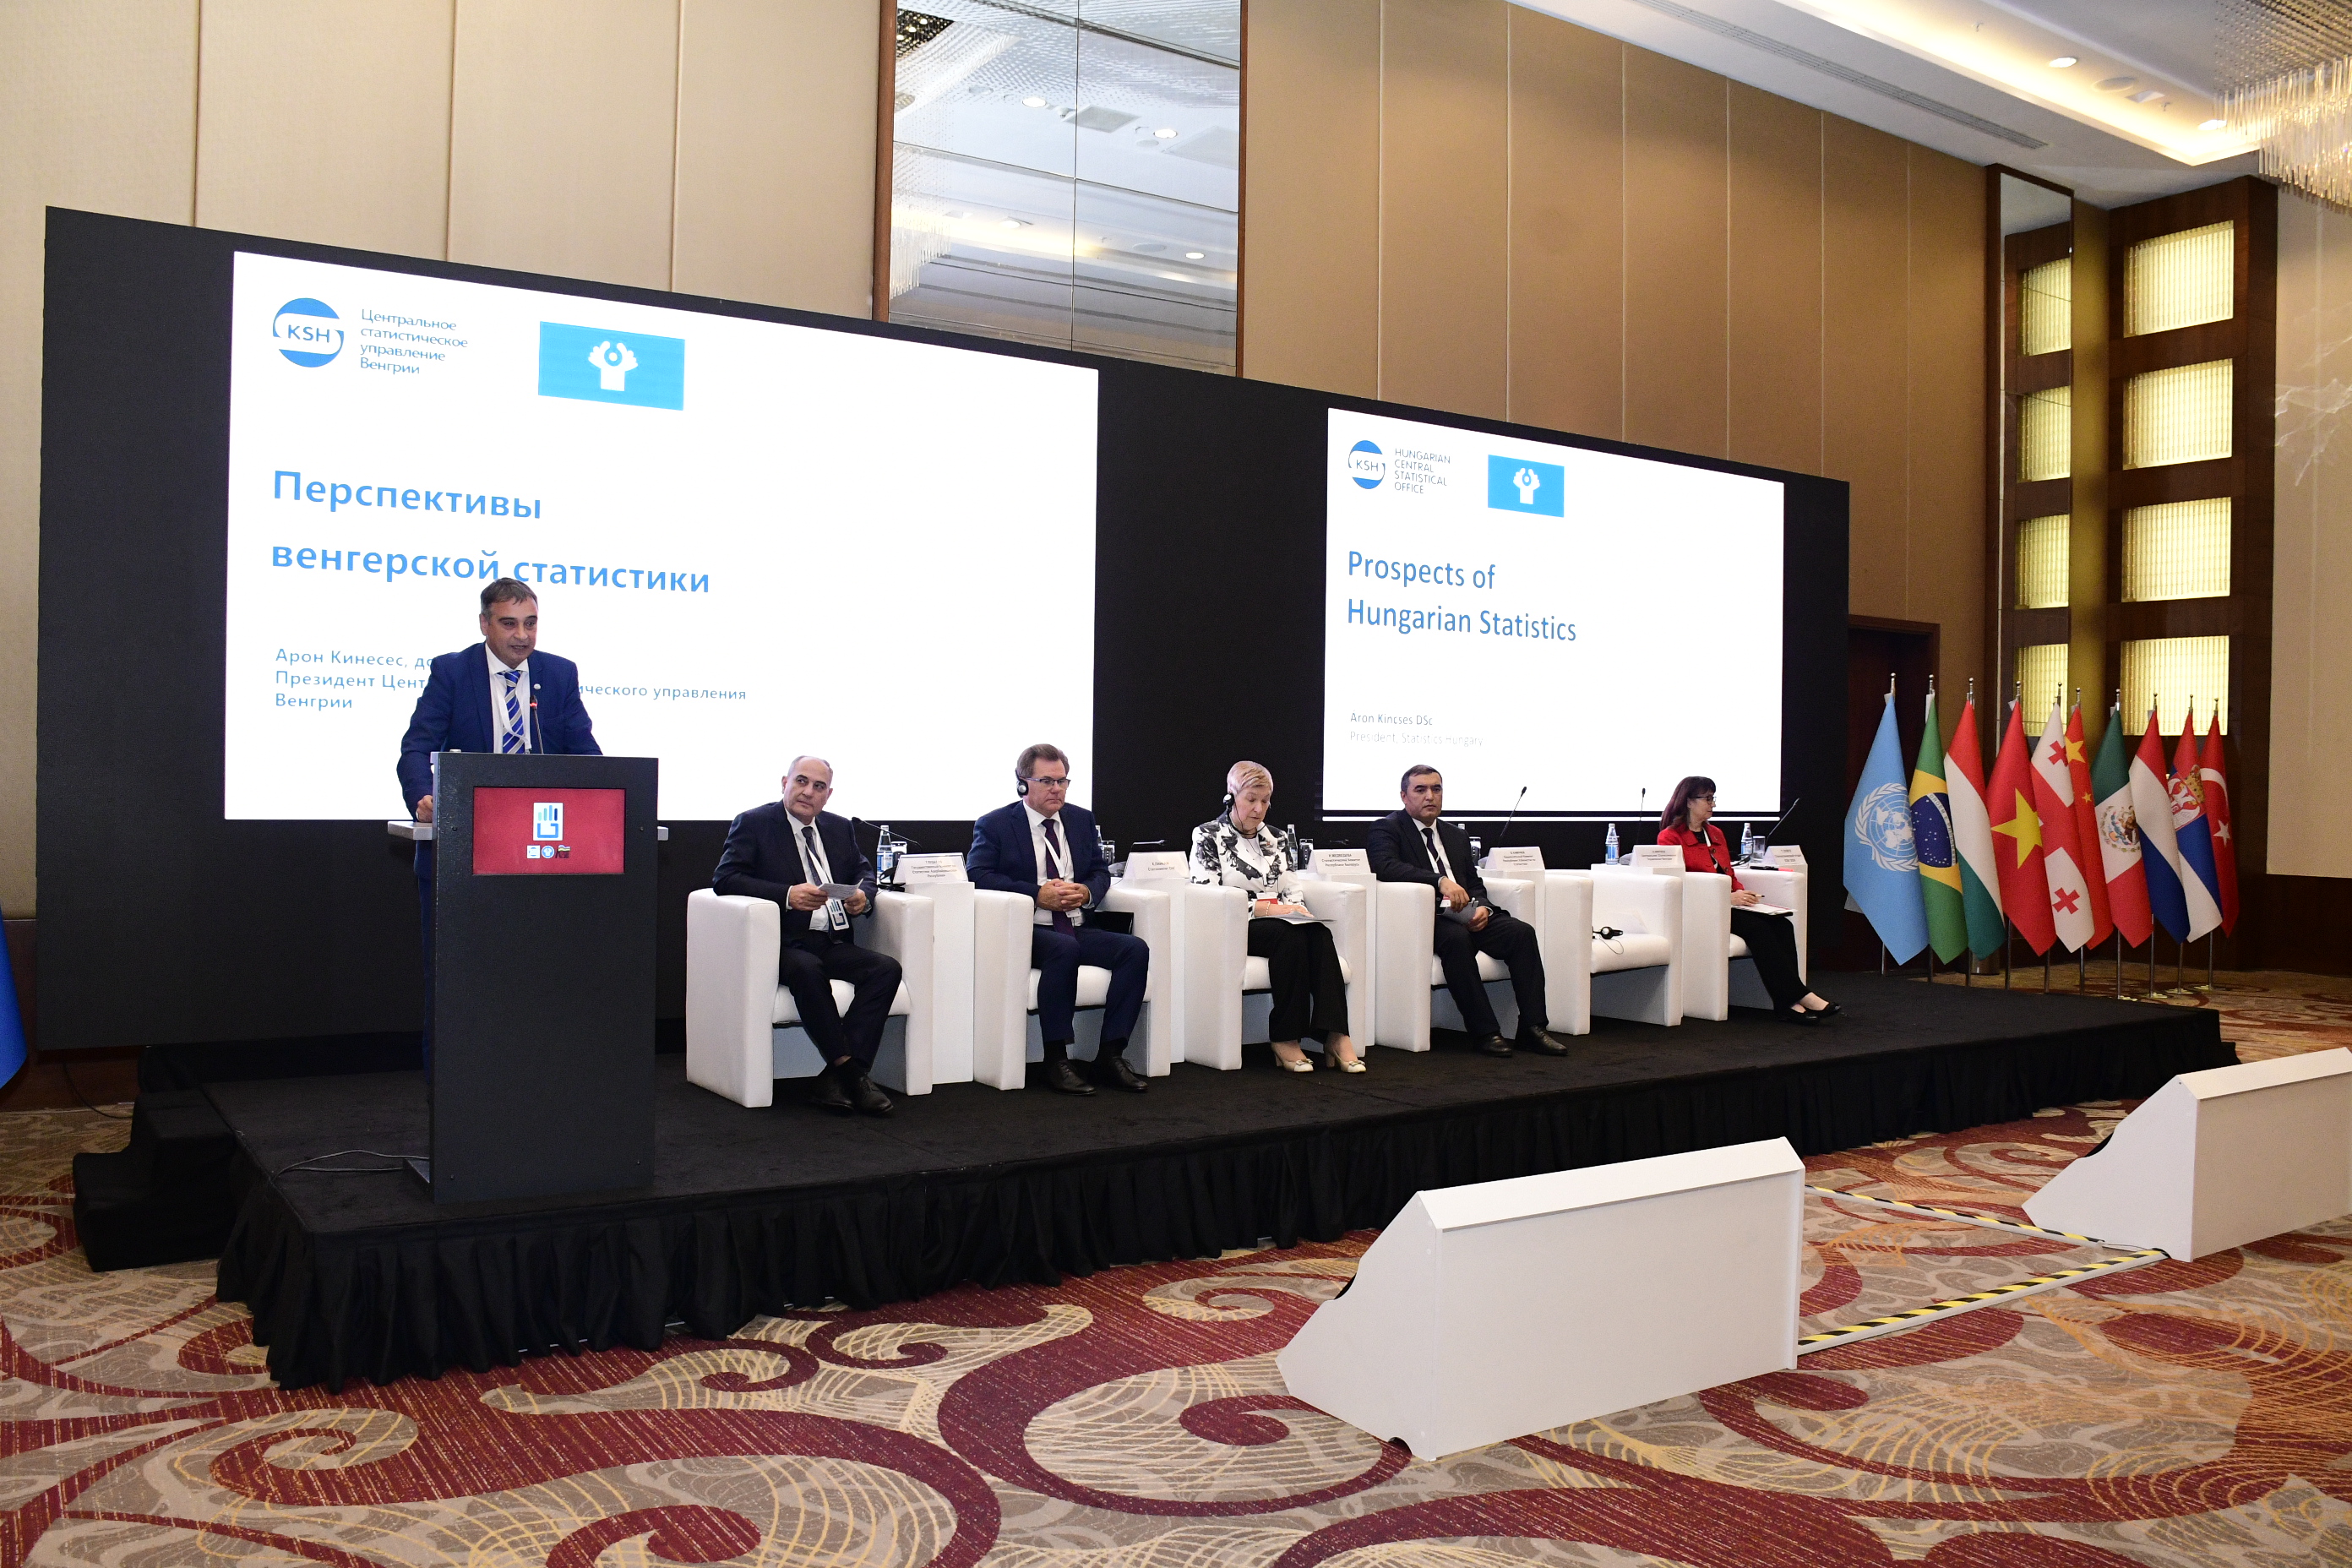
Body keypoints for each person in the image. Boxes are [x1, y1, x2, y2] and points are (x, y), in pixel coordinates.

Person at [396, 579, 601, 1066]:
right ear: (484, 624)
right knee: (457, 979)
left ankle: (534, 1074)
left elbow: (587, 757)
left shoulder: (559, 674)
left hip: (542, 854)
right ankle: (450, 1085)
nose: (522, 636)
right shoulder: (452, 671)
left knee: (537, 977)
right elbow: (416, 748)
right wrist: (423, 797)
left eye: (531, 623)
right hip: (465, 851)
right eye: (509, 624)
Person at [712, 757, 902, 1116]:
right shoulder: (754, 823)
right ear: (784, 782)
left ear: (828, 795)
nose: (808, 792)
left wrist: (862, 896)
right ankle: (853, 1075)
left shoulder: (839, 827)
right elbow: (726, 879)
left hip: (830, 938)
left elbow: (864, 872)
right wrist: (786, 895)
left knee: (886, 969)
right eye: (801, 781)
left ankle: (836, 1077)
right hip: (780, 942)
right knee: (806, 969)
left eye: (818, 787)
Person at [967, 743, 1150, 1095]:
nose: (1057, 789)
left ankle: (1111, 1054)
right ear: (1023, 784)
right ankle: (1056, 1059)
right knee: (1063, 949)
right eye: (1047, 781)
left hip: (1076, 924)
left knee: (1134, 949)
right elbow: (978, 874)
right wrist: (1036, 894)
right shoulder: (996, 824)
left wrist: (1087, 891)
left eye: (1063, 781)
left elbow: (1100, 871)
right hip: (1030, 929)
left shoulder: (1081, 820)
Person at [1368, 765, 1571, 1058]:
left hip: (1466, 911)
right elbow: (1386, 867)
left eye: (1436, 789)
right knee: (1457, 940)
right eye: (1420, 790)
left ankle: (1533, 1028)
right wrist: (1439, 881)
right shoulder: (1387, 828)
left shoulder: (1455, 835)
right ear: (1404, 796)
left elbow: (1473, 883)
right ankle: (1485, 1032)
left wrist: (1483, 908)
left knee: (1521, 933)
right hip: (1427, 917)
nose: (1430, 796)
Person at [1190, 762, 1362, 1074]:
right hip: (1235, 924)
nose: (1259, 809)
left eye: (1265, 801)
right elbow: (1208, 894)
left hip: (1280, 921)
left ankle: (1336, 1035)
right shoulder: (1208, 835)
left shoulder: (1278, 838)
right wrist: (1263, 909)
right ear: (1230, 797)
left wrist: (1297, 909)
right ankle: (1284, 1038)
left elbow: (1291, 887)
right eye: (1251, 800)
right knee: (1289, 936)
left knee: (1318, 933)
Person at [1657, 775, 1837, 1024]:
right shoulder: (1670, 837)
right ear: (1688, 801)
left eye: (1713, 798)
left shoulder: (1715, 833)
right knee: (1758, 929)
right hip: (1702, 908)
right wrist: (1728, 897)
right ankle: (1799, 997)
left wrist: (1743, 894)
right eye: (1707, 799)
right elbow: (1680, 881)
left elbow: (1728, 873)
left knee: (1783, 925)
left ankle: (1788, 1002)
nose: (1712, 804)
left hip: (1728, 904)